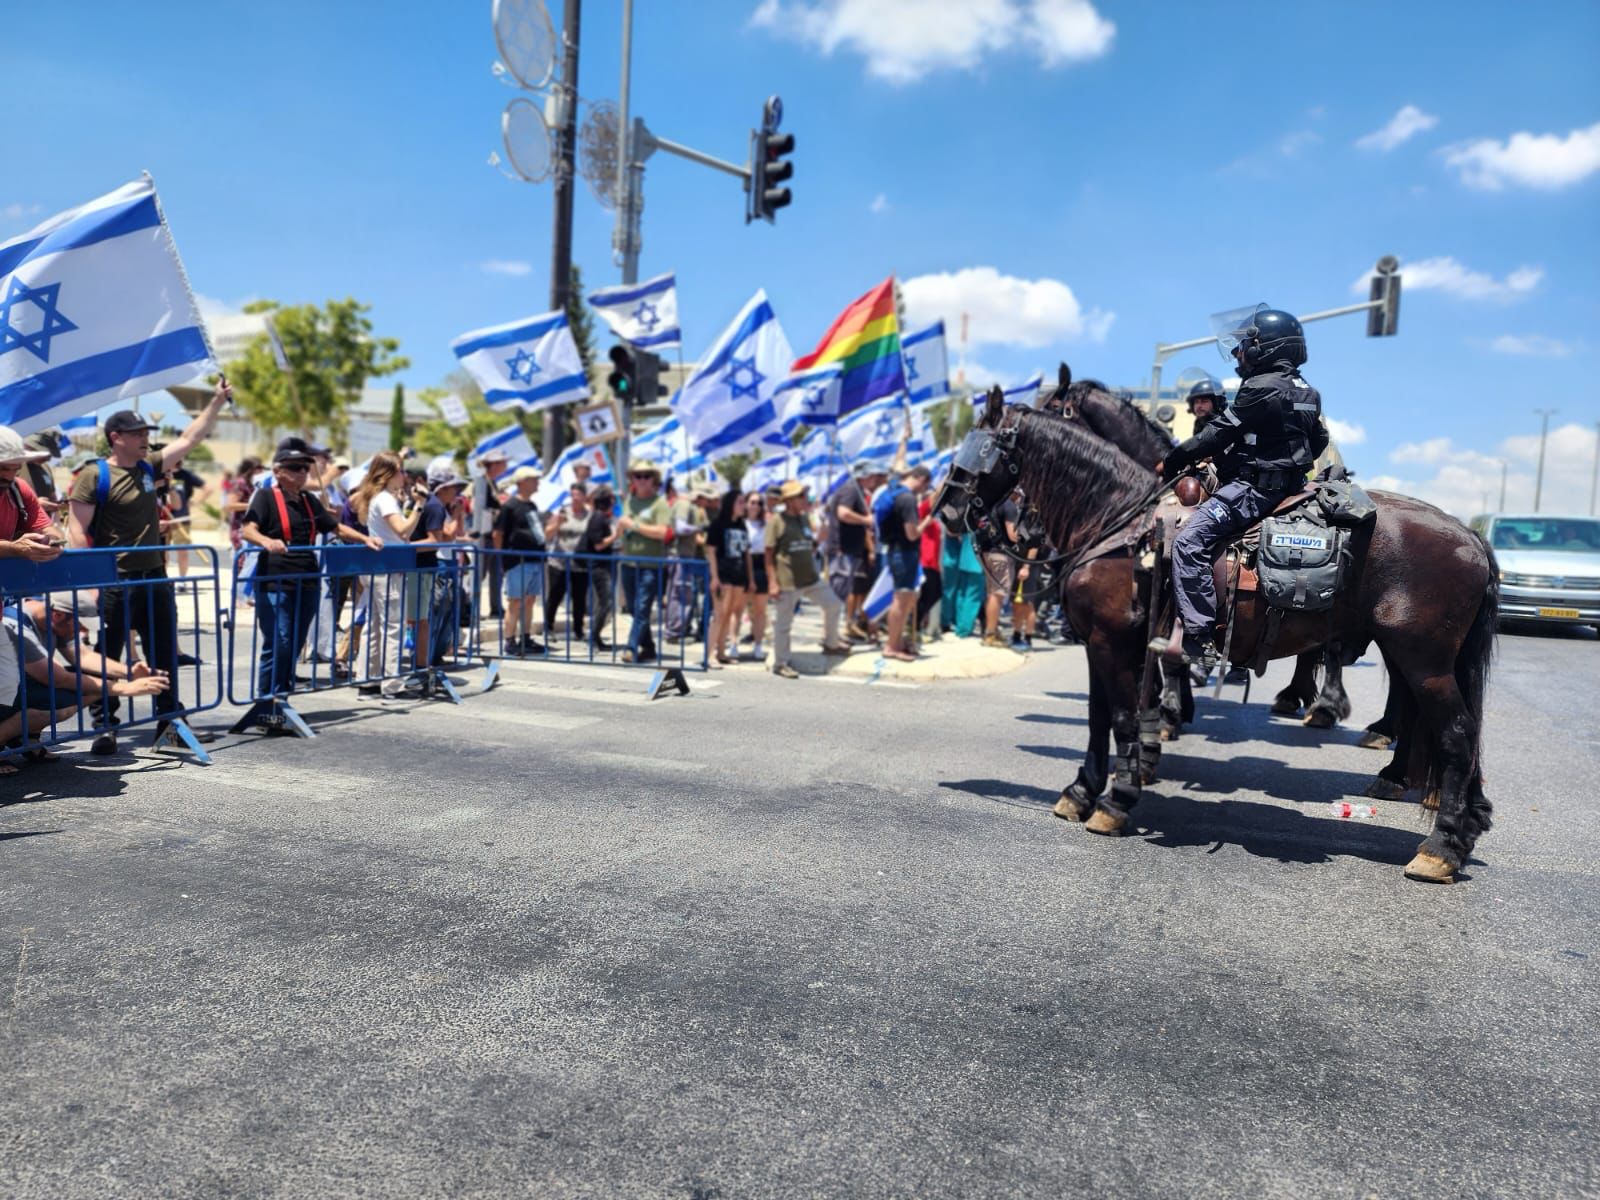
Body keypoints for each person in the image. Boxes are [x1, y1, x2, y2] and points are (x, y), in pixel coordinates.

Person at [1158, 308, 1328, 680]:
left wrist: (1174, 459)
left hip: (1253, 493)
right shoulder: (1308, 391)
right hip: (1290, 490)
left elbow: (1220, 434)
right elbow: (1318, 440)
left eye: (1248, 344)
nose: (1244, 351)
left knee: (1189, 542)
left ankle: (1199, 637)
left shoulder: (1260, 386)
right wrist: (1287, 469)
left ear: (1267, 347)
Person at [65, 384, 231, 753]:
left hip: (155, 577)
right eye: (138, 434)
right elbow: (77, 530)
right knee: (108, 657)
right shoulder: (94, 475)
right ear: (116, 438)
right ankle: (105, 726)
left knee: (163, 653)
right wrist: (93, 582)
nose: (145, 439)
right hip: (115, 581)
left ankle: (169, 722)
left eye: (147, 434)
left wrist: (217, 402)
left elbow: (190, 438)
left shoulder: (148, 466)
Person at [238, 437, 380, 712]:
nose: (302, 472)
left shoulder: (309, 502)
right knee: (278, 641)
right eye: (294, 467)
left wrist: (365, 540)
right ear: (277, 471)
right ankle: (266, 701)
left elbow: (336, 528)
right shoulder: (266, 497)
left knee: (294, 641)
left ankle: (281, 699)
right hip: (275, 581)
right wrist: (267, 542)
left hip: (307, 580)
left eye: (304, 467)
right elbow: (247, 529)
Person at [1, 591, 170, 770]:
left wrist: (129, 672)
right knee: (55, 703)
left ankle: (25, 737)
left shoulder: (51, 618)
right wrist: (125, 688)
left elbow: (83, 655)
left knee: (90, 686)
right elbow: (57, 678)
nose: (83, 631)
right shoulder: (14, 626)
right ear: (58, 615)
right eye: (80, 626)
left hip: (14, 687)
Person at [351, 452, 424, 700]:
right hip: (389, 567)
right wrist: (419, 506)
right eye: (401, 471)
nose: (405, 476)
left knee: (375, 625)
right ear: (390, 473)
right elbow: (402, 530)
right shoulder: (384, 499)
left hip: (380, 566)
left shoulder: (379, 498)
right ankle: (392, 684)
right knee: (392, 625)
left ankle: (367, 681)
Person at [766, 481, 849, 679]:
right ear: (789, 501)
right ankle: (781, 663)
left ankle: (831, 644)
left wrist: (819, 539)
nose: (805, 500)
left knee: (834, 605)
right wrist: (772, 582)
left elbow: (807, 546)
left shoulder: (803, 518)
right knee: (784, 624)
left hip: (810, 577)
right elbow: (768, 554)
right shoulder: (776, 521)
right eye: (801, 496)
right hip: (788, 580)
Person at [614, 461, 674, 664]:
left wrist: (634, 525)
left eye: (646, 476)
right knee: (633, 609)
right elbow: (621, 530)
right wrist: (620, 529)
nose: (641, 479)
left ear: (654, 480)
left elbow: (663, 532)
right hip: (629, 563)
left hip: (651, 565)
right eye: (637, 475)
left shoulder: (660, 503)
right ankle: (648, 647)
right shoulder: (629, 501)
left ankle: (631, 648)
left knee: (641, 608)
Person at [492, 466, 547, 655]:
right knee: (515, 601)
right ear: (522, 482)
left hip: (535, 559)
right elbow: (497, 533)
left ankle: (525, 638)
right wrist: (502, 558)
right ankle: (509, 640)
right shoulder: (509, 506)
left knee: (530, 600)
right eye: (533, 479)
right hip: (517, 560)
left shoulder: (531, 505)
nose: (537, 482)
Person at [419, 465, 470, 668]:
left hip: (449, 561)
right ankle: (428, 654)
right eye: (452, 488)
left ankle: (438, 652)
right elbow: (446, 535)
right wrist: (457, 515)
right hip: (439, 561)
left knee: (447, 609)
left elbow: (457, 533)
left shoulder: (445, 508)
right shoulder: (435, 506)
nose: (456, 492)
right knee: (437, 607)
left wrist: (458, 515)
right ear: (441, 488)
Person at [880, 465, 930, 662]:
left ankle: (896, 641)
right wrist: (926, 522)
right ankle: (891, 646)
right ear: (921, 479)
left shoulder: (894, 491)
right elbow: (912, 534)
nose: (924, 490)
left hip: (896, 550)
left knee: (905, 598)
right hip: (904, 553)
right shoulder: (907, 498)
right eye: (925, 486)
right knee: (901, 600)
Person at [830, 461, 883, 640]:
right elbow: (843, 513)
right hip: (842, 551)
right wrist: (865, 520)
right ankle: (835, 634)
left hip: (850, 550)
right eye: (872, 475)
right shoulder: (851, 490)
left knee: (846, 591)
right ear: (864, 476)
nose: (875, 479)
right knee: (840, 593)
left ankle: (840, 631)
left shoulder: (857, 491)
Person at [0, 426, 65, 564]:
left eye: (16, 469)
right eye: (3, 468)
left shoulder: (18, 488)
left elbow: (46, 528)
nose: (10, 477)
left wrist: (52, 540)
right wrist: (12, 548)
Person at [704, 489, 750, 666]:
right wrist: (714, 577)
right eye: (740, 501)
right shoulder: (717, 524)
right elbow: (711, 551)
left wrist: (749, 578)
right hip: (723, 575)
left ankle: (721, 652)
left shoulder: (741, 525)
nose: (743, 505)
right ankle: (708, 655)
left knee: (729, 613)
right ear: (730, 503)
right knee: (719, 614)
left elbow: (746, 552)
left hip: (738, 575)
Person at [544, 483, 593, 646]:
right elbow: (547, 534)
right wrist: (558, 523)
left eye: (578, 495)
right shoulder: (562, 512)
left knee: (579, 599)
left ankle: (578, 630)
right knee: (555, 596)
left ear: (585, 497)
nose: (575, 498)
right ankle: (548, 627)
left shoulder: (590, 515)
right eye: (572, 495)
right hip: (559, 562)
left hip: (580, 564)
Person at [974, 488, 1021, 648]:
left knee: (991, 594)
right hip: (1001, 555)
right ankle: (990, 634)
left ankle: (990, 629)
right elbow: (1012, 535)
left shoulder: (989, 503)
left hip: (986, 553)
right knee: (997, 595)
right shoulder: (1009, 505)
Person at [471, 447, 512, 619]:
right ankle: (472, 608)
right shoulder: (482, 482)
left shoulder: (493, 484)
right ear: (494, 465)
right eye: (502, 462)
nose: (506, 465)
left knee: (497, 573)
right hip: (484, 535)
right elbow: (478, 508)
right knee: (479, 574)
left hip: (494, 535)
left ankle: (496, 607)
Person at [581, 486, 619, 653]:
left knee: (605, 603)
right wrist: (616, 536)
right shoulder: (598, 518)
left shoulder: (601, 517)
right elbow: (598, 544)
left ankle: (596, 637)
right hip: (599, 566)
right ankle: (594, 636)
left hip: (604, 564)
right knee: (606, 602)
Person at [737, 490, 771, 662]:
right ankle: (733, 644)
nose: (755, 506)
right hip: (742, 565)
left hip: (760, 565)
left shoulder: (765, 525)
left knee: (760, 610)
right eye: (752, 502)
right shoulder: (740, 523)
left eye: (759, 503)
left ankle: (758, 645)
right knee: (737, 609)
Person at [915, 479, 944, 644]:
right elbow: (935, 497)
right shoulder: (923, 511)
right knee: (926, 596)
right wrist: (947, 479)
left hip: (933, 563)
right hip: (925, 561)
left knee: (934, 594)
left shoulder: (934, 516)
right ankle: (917, 627)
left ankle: (920, 625)